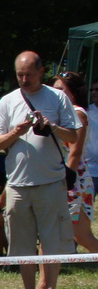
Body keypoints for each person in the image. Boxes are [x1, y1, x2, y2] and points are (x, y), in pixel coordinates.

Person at [0, 52, 77, 289]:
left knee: (52, 243)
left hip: (50, 182)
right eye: (19, 75)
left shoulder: (57, 97)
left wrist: (50, 126)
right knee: (22, 245)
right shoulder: (8, 101)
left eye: (28, 74)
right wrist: (17, 131)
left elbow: (72, 135)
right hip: (17, 184)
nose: (24, 80)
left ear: (41, 71)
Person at [50, 73, 98, 253]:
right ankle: (46, 278)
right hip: (56, 175)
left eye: (61, 89)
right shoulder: (59, 114)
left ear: (73, 93)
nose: (55, 93)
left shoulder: (78, 114)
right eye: (53, 89)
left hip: (74, 180)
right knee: (52, 232)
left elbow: (75, 151)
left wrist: (67, 179)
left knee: (82, 236)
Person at [87, 81, 98, 190]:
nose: (94, 93)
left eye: (97, 90)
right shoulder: (86, 112)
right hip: (90, 171)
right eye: (92, 90)